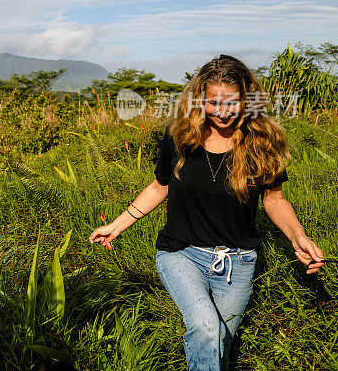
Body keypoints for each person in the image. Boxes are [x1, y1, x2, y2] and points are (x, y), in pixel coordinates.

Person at [88, 54, 325, 371]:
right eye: (214, 103)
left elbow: (274, 199)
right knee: (206, 328)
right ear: (200, 99)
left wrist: (299, 237)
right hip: (181, 252)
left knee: (219, 344)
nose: (224, 113)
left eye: (233, 103)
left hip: (237, 261)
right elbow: (160, 186)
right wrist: (117, 226)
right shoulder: (180, 136)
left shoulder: (261, 142)